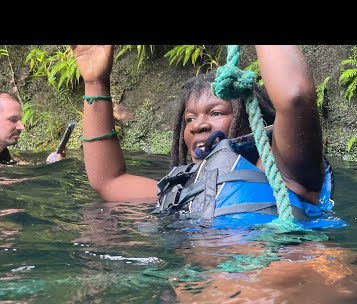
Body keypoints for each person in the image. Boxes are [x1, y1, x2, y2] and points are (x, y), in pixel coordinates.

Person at [72, 45, 334, 226]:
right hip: (214, 291)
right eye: (190, 119)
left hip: (287, 279)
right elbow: (108, 181)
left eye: (217, 113)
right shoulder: (181, 191)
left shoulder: (284, 172)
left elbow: (295, 98)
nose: (198, 126)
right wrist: (95, 82)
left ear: (253, 119)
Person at [0, 92, 66, 165]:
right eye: (13, 120)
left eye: (20, 120)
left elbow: (16, 165)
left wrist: (49, 163)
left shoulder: (4, 153)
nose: (21, 127)